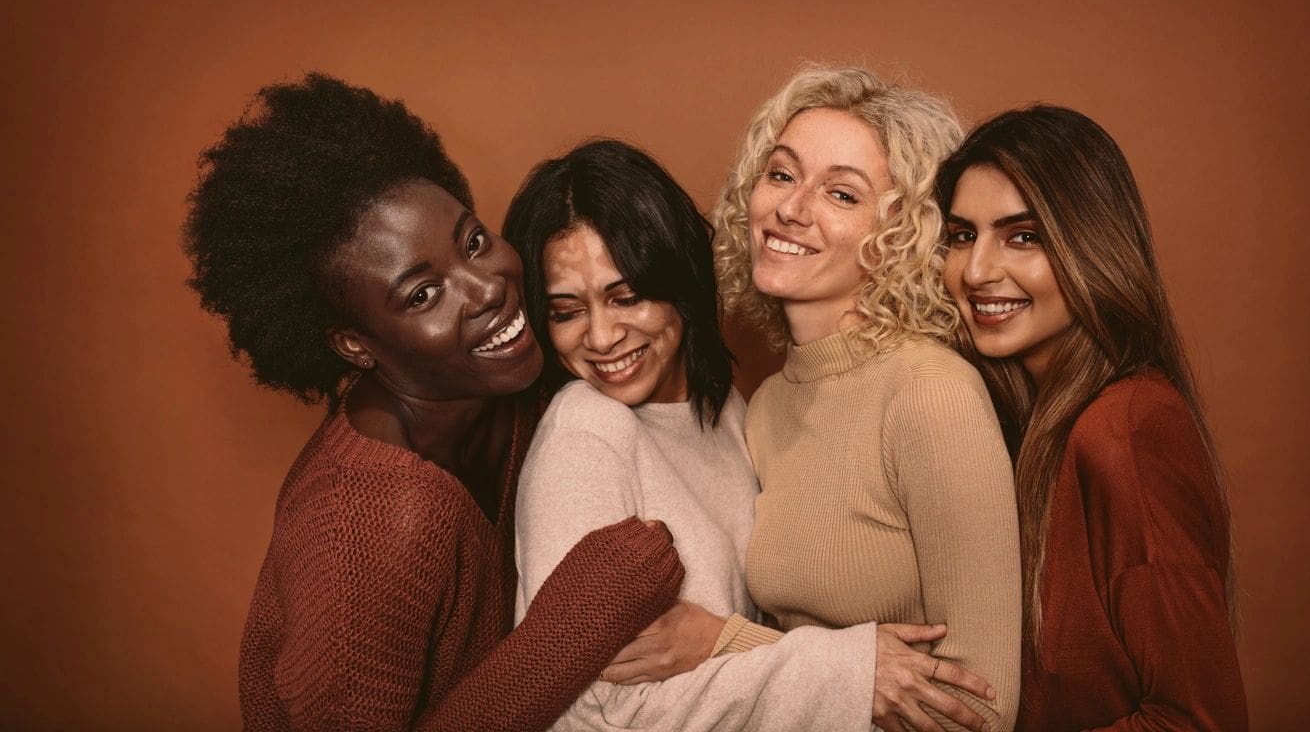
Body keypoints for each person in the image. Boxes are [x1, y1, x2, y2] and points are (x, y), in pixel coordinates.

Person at [182, 73, 684, 732]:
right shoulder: (372, 525)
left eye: (472, 242)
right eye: (422, 295)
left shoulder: (513, 388)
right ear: (356, 346)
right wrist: (569, 627)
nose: (485, 289)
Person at [503, 139, 996, 732]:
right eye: (566, 311)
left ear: (679, 279)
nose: (603, 337)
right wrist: (849, 671)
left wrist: (731, 642)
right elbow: (597, 711)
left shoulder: (734, 414)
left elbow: (730, 645)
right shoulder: (585, 429)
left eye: (626, 296)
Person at [713, 66, 1022, 732]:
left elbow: (979, 710)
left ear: (902, 233)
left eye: (841, 194)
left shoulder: (929, 395)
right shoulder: (766, 405)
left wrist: (719, 643)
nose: (791, 209)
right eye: (781, 174)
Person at [935, 105, 1247, 731]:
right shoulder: (1031, 421)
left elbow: (1197, 721)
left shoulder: (1126, 429)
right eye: (963, 235)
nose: (975, 272)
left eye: (1023, 237)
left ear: (1092, 246)